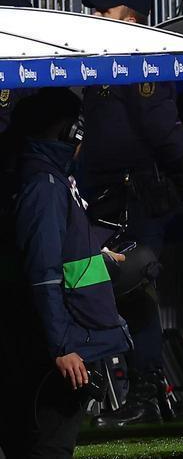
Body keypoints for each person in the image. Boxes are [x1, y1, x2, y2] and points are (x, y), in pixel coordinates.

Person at [80, 0, 183, 428]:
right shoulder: (104, 60)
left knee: (136, 289)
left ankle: (147, 392)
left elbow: (163, 132)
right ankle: (126, 390)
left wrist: (179, 180)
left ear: (130, 19)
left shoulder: (141, 60)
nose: (95, 17)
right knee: (101, 287)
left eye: (104, 11)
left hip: (134, 198)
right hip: (104, 200)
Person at [0, 88, 132, 457]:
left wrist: (95, 251)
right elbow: (44, 274)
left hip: (44, 338)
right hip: (53, 347)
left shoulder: (43, 178)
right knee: (48, 446)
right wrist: (63, 348)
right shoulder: (43, 185)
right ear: (70, 131)